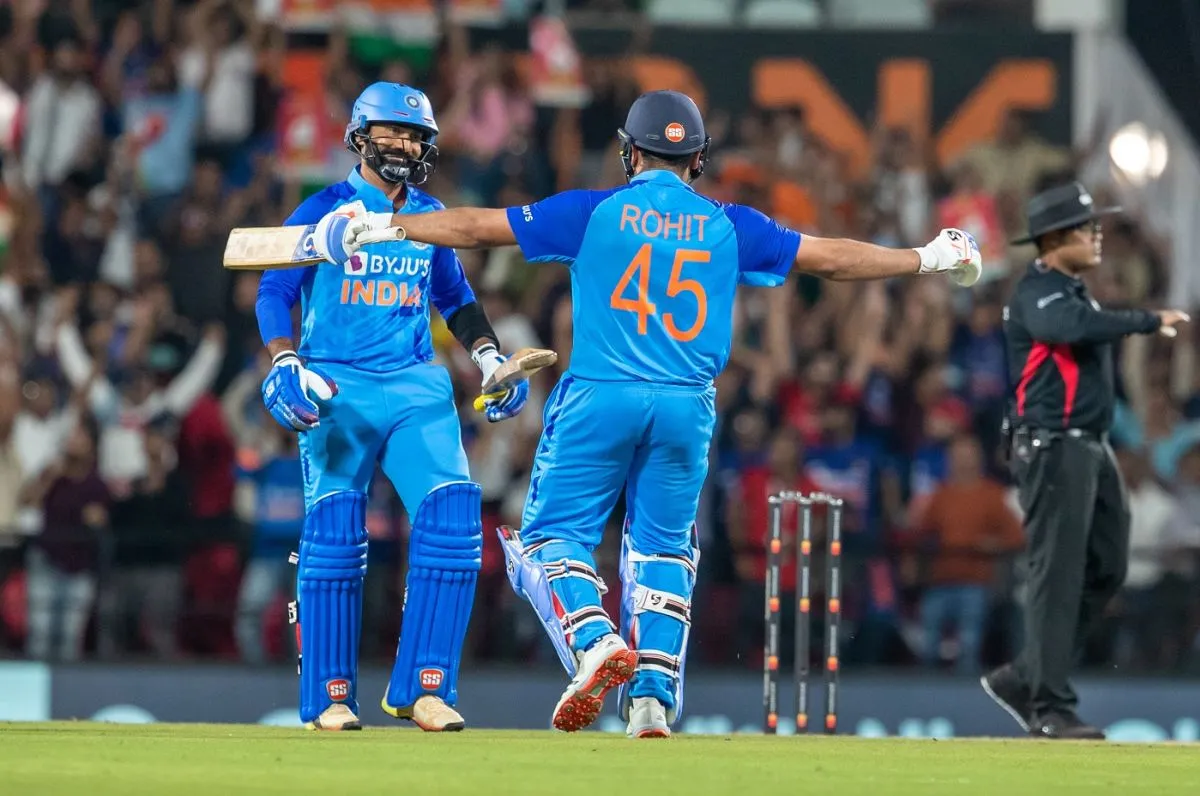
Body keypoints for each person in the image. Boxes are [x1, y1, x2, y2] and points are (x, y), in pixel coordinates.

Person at [311, 90, 982, 737]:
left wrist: (384, 224)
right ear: (697, 160)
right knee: (664, 550)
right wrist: (926, 257)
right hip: (688, 407)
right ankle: (653, 703)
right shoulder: (730, 224)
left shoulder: (593, 212)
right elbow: (830, 258)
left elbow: (480, 226)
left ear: (629, 155)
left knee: (550, 539)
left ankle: (594, 638)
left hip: (601, 395)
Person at [255, 82, 533, 732]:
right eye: (392, 133)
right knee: (334, 531)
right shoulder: (320, 209)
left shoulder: (430, 214)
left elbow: (456, 299)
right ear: (358, 137)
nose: (406, 145)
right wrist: (283, 359)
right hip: (336, 383)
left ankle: (426, 687)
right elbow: (274, 288)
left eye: (416, 136)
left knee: (455, 518)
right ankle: (329, 696)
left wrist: (490, 357)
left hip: (415, 384)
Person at [983, 181, 1190, 739]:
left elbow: (1081, 325)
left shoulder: (1075, 292)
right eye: (1085, 225)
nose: (1097, 232)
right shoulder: (1039, 291)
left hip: (1089, 446)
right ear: (1053, 239)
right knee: (1059, 574)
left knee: (1108, 565)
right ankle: (1050, 706)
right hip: (1052, 444)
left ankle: (1027, 675)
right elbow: (1066, 331)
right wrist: (1145, 319)